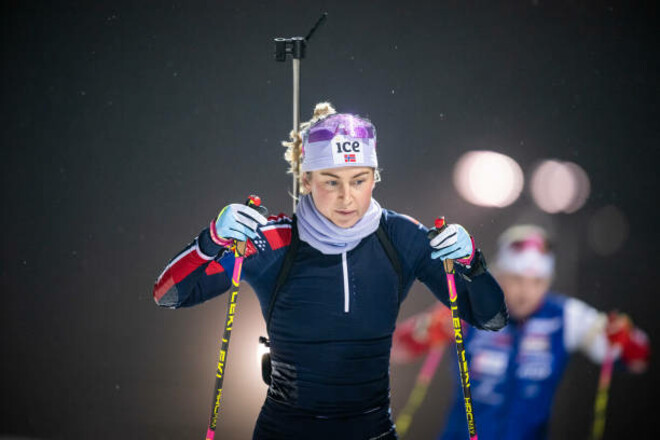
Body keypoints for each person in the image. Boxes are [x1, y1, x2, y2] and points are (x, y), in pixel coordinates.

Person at [152, 102, 508, 440]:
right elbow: (169, 295)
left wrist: (474, 263)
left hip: (371, 430)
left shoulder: (403, 237)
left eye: (358, 179)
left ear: (374, 177)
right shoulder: (274, 241)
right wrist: (211, 239)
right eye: (330, 181)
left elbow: (490, 318)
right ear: (306, 180)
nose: (346, 198)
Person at [392, 224, 650, 440]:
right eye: (516, 279)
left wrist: (626, 339)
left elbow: (638, 361)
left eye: (537, 282)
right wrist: (424, 332)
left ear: (548, 281)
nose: (526, 292)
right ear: (498, 274)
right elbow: (394, 351)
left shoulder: (566, 315)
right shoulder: (468, 304)